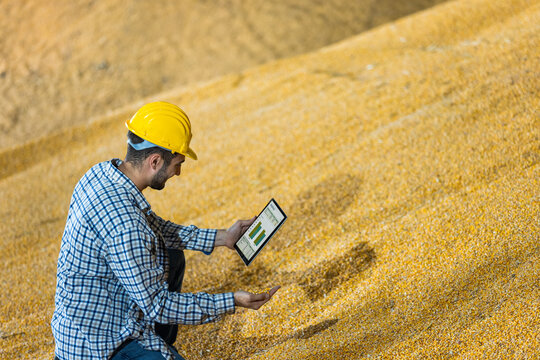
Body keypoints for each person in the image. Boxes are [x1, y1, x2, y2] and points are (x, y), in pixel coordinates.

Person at [51, 101, 280, 360]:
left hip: (84, 321)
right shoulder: (125, 226)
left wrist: (223, 237)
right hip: (101, 347)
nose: (178, 172)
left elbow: (154, 227)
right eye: (177, 164)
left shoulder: (101, 174)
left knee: (170, 254)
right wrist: (232, 301)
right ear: (155, 161)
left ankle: (156, 341)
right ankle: (150, 349)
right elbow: (158, 306)